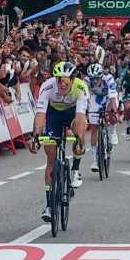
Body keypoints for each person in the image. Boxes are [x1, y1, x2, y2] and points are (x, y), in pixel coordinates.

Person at [31, 61, 90, 222]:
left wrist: (78, 139)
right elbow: (41, 114)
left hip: (73, 114)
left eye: (66, 80)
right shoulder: (48, 86)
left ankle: (75, 170)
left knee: (81, 133)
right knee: (50, 156)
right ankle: (50, 205)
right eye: (59, 80)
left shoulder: (81, 88)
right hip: (54, 114)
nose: (62, 84)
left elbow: (79, 117)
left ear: (72, 79)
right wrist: (36, 136)